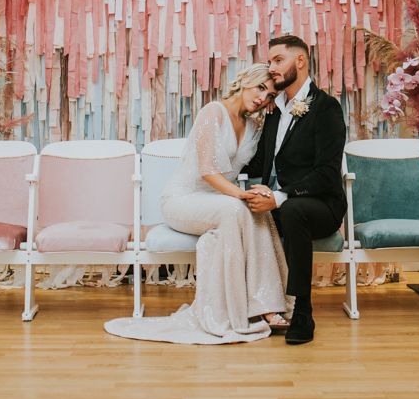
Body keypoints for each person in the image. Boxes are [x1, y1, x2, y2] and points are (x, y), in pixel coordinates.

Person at [104, 64, 292, 344]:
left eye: (269, 96)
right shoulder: (212, 112)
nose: (262, 98)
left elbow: (260, 167)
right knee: (237, 207)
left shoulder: (255, 125)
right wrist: (240, 195)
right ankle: (238, 310)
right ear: (245, 82)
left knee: (260, 211)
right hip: (183, 200)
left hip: (219, 200)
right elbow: (207, 171)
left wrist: (259, 192)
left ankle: (267, 304)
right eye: (260, 88)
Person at [246, 35, 347, 345]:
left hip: (320, 205)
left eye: (278, 60)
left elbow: (328, 174)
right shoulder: (274, 110)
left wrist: (279, 196)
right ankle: (257, 305)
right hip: (278, 204)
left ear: (300, 62)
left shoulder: (326, 107)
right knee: (237, 210)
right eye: (270, 61)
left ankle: (302, 310)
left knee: (292, 209)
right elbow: (259, 162)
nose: (271, 68)